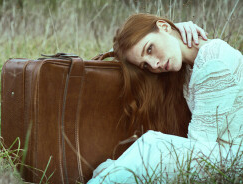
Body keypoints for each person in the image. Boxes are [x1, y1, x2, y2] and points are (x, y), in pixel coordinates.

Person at [87, 13, 242, 183]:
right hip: (220, 156)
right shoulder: (192, 65)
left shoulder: (213, 63)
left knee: (151, 147)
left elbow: (196, 152)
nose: (154, 65)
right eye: (145, 65)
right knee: (119, 165)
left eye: (150, 49)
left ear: (164, 27)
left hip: (234, 163)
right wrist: (174, 28)